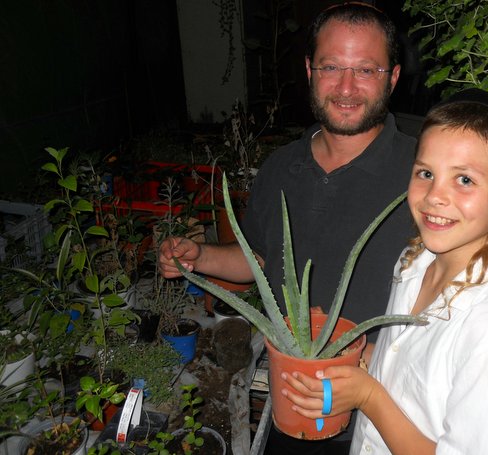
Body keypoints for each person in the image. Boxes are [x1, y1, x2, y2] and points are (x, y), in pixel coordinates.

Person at [158, 3, 415, 453]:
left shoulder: (427, 174)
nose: (347, 87)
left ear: (392, 78)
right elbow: (259, 258)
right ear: (310, 70)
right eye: (332, 66)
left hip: (388, 419)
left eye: (366, 70)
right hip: (291, 402)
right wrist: (201, 258)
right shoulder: (281, 168)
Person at [281, 89, 488, 455]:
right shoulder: (416, 260)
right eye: (426, 172)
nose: (434, 196)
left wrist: (367, 395)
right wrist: (362, 353)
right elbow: (408, 361)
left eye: (465, 180)